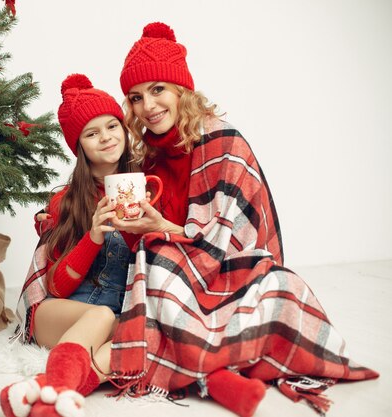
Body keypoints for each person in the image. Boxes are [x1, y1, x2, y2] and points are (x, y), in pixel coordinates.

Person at [104, 21, 378, 417]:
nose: (148, 106)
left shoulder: (222, 141)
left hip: (233, 271)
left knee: (280, 288)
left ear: (182, 90)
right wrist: (132, 229)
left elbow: (229, 240)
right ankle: (214, 378)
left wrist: (160, 230)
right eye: (136, 96)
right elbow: (143, 242)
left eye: (158, 89)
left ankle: (198, 366)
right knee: (156, 264)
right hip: (179, 276)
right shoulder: (146, 159)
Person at [0, 74, 140, 417]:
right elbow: (56, 287)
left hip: (118, 316)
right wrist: (93, 235)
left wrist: (140, 226)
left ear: (124, 129)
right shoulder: (67, 200)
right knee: (103, 315)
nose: (106, 138)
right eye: (92, 133)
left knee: (139, 336)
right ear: (79, 146)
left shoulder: (147, 186)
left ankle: (45, 390)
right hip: (59, 313)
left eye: (112, 126)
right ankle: (54, 390)